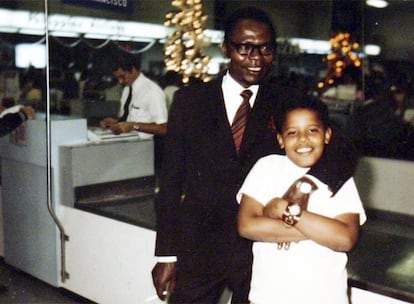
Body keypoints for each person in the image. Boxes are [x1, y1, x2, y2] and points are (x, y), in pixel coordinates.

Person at [152, 7, 357, 303]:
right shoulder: (190, 101)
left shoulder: (288, 101)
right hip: (200, 244)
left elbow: (343, 148)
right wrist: (166, 254)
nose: (257, 58)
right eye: (245, 47)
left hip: (260, 249)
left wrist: (305, 185)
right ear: (225, 48)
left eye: (266, 49)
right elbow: (170, 182)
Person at [237, 93, 366, 304]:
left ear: (327, 135)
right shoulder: (267, 167)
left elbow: (345, 239)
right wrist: (322, 229)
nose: (303, 139)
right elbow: (247, 226)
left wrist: (283, 209)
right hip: (268, 297)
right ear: (280, 139)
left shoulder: (339, 178)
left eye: (312, 130)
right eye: (292, 132)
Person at [100, 54, 168, 138]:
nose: (120, 81)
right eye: (117, 78)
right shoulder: (127, 90)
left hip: (148, 146)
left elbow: (163, 128)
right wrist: (117, 123)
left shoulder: (152, 91)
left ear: (133, 70)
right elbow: (130, 120)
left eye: (122, 76)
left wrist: (133, 126)